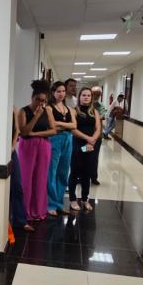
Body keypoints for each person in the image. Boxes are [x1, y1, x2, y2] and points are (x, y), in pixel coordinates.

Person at [17, 80, 58, 221]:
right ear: (32, 97)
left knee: (40, 179)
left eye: (43, 101)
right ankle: (24, 212)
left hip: (44, 147)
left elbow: (53, 131)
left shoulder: (48, 111)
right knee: (26, 179)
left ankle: (38, 211)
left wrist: (36, 134)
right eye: (37, 100)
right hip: (27, 147)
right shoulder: (23, 111)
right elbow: (24, 132)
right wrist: (36, 116)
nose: (40, 103)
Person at [68, 87, 101, 211]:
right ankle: (72, 199)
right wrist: (88, 138)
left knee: (87, 173)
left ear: (91, 98)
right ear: (79, 97)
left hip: (91, 145)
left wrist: (92, 141)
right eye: (83, 95)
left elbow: (98, 128)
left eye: (88, 95)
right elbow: (73, 129)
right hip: (77, 144)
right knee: (75, 172)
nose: (86, 97)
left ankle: (85, 199)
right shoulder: (74, 111)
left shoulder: (95, 112)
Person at [47, 82, 76, 216]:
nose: (61, 94)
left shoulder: (69, 109)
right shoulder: (49, 108)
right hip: (55, 139)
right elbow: (52, 127)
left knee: (63, 173)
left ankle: (59, 204)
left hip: (68, 140)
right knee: (52, 172)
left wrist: (59, 123)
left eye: (63, 91)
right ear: (53, 93)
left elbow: (74, 125)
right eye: (58, 91)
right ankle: (50, 204)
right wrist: (66, 125)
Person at [9, 106, 33, 232]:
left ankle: (20, 220)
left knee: (17, 185)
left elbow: (16, 129)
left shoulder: (12, 107)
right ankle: (6, 220)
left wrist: (13, 146)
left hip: (10, 151)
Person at [87, 86, 108, 185]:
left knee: (94, 157)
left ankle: (93, 177)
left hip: (97, 138)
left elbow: (100, 118)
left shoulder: (101, 106)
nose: (95, 96)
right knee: (83, 155)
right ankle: (81, 176)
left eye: (98, 94)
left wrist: (89, 119)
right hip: (85, 136)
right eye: (94, 94)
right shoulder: (85, 104)